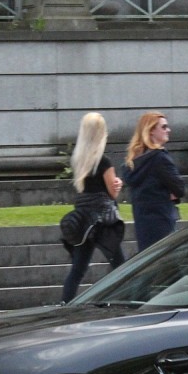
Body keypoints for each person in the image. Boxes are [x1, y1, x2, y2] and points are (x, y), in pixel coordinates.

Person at [59, 112, 126, 303]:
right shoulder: (103, 161)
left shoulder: (79, 160)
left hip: (83, 221)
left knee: (78, 269)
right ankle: (130, 302)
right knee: (120, 266)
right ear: (101, 133)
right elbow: (112, 193)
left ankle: (65, 304)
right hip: (104, 220)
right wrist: (118, 184)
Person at [122, 110, 185, 252]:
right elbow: (180, 188)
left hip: (143, 222)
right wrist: (167, 194)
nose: (168, 130)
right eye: (163, 127)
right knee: (169, 264)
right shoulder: (160, 158)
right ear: (150, 131)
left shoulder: (134, 161)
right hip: (162, 219)